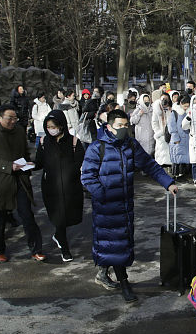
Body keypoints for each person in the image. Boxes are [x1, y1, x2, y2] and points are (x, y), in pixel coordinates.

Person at [81, 109, 178, 301]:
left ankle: (103, 272)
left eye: (126, 126)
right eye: (119, 126)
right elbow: (87, 177)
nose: (124, 129)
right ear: (109, 127)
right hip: (106, 207)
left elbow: (150, 165)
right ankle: (125, 284)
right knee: (115, 244)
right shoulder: (96, 148)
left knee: (117, 244)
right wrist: (104, 195)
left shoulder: (131, 145)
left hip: (125, 206)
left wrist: (168, 182)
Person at [0, 105, 45, 262]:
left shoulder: (19, 132)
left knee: (27, 215)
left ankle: (36, 249)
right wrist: (8, 166)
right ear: (0, 118)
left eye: (15, 118)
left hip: (19, 179)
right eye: (10, 118)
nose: (13, 121)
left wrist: (27, 164)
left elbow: (24, 151)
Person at [36, 110, 86, 263]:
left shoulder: (74, 142)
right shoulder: (44, 142)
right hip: (51, 187)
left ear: (61, 126)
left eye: (54, 126)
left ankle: (58, 236)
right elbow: (39, 162)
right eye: (49, 126)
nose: (51, 129)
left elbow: (80, 162)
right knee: (59, 218)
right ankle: (65, 248)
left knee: (69, 216)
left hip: (71, 187)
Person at [168, 95, 192, 180]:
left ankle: (185, 174)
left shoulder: (190, 113)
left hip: (188, 139)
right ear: (180, 104)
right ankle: (177, 174)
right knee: (177, 157)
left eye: (187, 106)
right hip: (178, 139)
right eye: (184, 106)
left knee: (186, 157)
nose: (186, 108)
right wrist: (176, 139)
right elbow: (172, 127)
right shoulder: (175, 113)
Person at [131, 92, 155, 156]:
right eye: (145, 101)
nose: (146, 102)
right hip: (141, 135)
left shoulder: (152, 109)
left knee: (150, 151)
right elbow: (132, 121)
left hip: (151, 135)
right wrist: (139, 114)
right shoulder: (138, 109)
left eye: (148, 100)